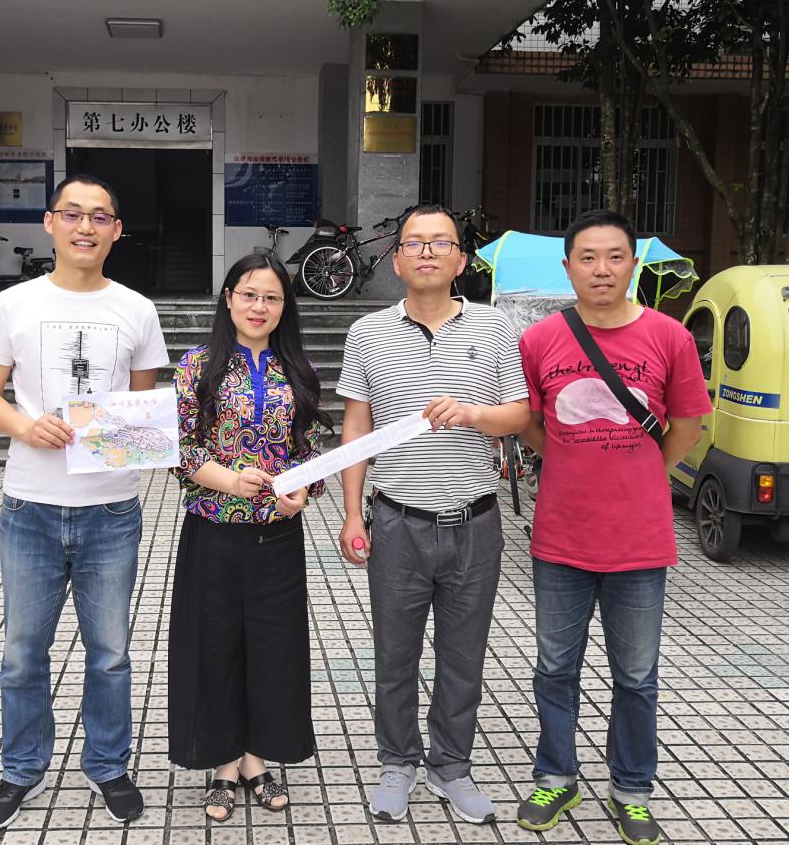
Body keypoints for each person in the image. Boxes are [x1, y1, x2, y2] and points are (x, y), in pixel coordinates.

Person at [0, 174, 169, 830]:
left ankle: (108, 765)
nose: (86, 226)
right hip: (29, 505)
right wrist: (28, 427)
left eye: (100, 216)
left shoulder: (136, 309)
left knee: (109, 651)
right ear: (50, 222)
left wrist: (128, 434)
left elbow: (138, 411)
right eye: (73, 213)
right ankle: (21, 767)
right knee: (23, 652)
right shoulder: (13, 303)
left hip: (110, 509)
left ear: (117, 230)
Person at [515, 209, 710, 845]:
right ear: (568, 267)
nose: (602, 269)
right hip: (561, 537)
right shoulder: (540, 339)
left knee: (636, 676)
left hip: (639, 541)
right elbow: (531, 424)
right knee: (554, 668)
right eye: (588, 257)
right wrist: (576, 464)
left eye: (615, 256)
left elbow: (687, 426)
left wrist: (642, 471)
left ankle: (631, 789)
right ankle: (556, 776)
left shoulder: (669, 337)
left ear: (633, 264)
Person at [335, 204, 530, 824]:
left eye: (439, 243)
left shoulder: (495, 327)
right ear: (395, 260)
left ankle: (452, 766)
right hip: (397, 522)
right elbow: (356, 427)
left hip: (475, 522)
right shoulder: (368, 332)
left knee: (463, 657)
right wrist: (352, 514)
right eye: (414, 243)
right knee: (394, 656)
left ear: (460, 259)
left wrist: (472, 413)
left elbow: (521, 414)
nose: (426, 252)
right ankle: (397, 762)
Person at [168, 252, 331, 822]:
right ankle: (222, 763)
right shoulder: (196, 366)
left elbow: (311, 451)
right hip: (213, 531)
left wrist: (303, 491)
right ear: (229, 298)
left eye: (272, 297)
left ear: (285, 306)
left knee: (272, 649)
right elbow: (181, 450)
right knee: (215, 646)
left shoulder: (299, 369)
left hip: (277, 538)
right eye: (249, 294)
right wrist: (230, 481)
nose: (259, 307)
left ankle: (256, 759)